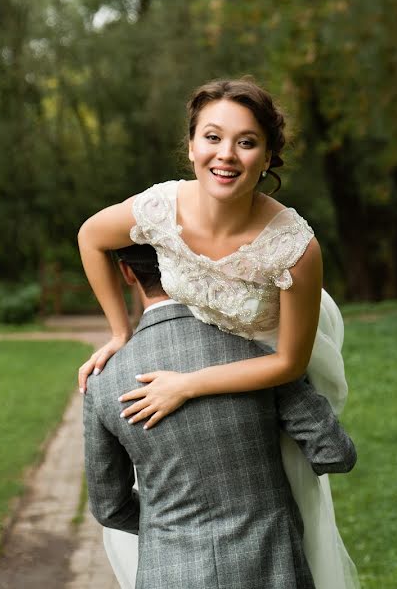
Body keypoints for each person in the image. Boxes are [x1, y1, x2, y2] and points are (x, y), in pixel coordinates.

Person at [77, 77, 359, 588]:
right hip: (200, 329)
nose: (225, 155)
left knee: (285, 494)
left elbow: (289, 364)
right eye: (212, 137)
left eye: (246, 142)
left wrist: (186, 384)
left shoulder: (295, 246)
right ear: (190, 147)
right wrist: (121, 333)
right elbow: (91, 237)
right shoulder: (161, 207)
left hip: (274, 350)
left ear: (268, 155)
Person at [83, 244, 356, 588]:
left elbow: (109, 508)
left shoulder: (103, 381)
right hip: (274, 568)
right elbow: (335, 453)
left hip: (169, 573)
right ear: (198, 259)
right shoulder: (262, 356)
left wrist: (168, 525)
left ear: (126, 272)